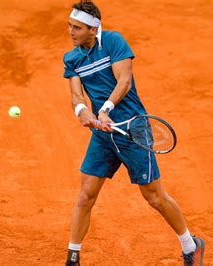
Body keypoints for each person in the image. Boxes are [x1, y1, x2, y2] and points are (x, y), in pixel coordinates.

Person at [62, 1, 204, 265]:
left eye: (77, 27)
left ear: (93, 30)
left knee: (154, 197)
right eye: (69, 26)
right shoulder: (72, 57)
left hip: (132, 129)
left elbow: (124, 81)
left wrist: (104, 110)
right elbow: (75, 95)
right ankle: (73, 257)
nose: (70, 32)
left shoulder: (114, 42)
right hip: (104, 135)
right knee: (85, 195)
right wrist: (84, 114)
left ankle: (190, 245)